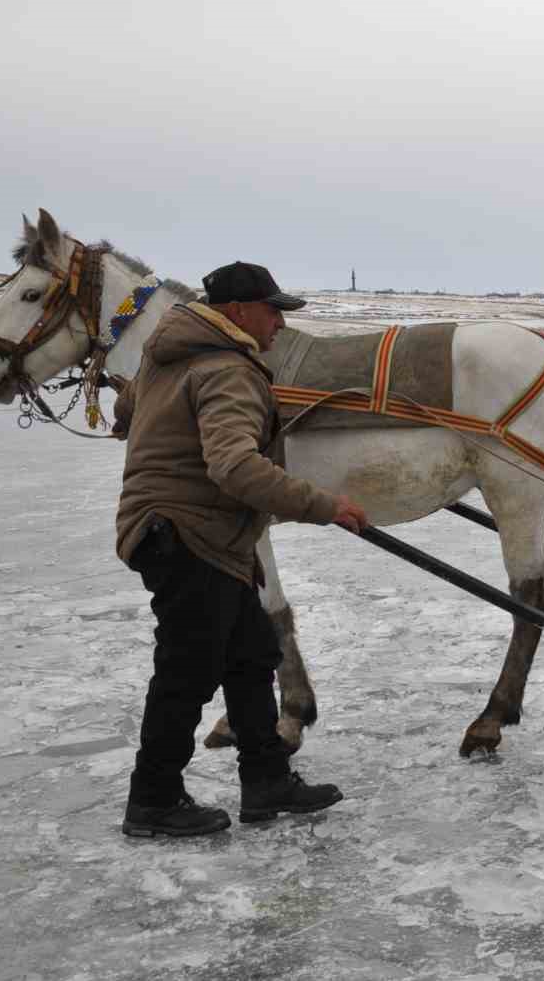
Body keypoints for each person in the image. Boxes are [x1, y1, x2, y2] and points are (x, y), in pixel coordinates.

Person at [113, 261, 371, 837]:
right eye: (272, 309)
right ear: (237, 313)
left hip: (197, 532)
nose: (280, 322)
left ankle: (266, 781)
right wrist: (323, 505)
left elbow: (124, 413)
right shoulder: (226, 369)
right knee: (187, 670)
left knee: (252, 654)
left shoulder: (165, 353)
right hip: (187, 532)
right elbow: (233, 465)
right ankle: (152, 801)